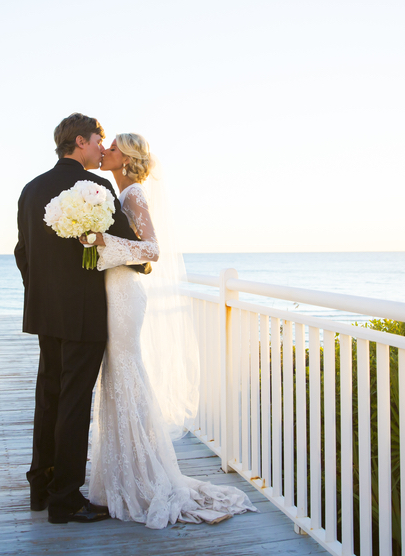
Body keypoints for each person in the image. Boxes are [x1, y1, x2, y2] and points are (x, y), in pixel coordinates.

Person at [79, 133, 256, 529]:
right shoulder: (121, 193)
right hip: (115, 289)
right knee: (119, 374)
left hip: (125, 294)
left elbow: (153, 249)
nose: (103, 150)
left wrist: (102, 242)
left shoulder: (133, 195)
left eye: (111, 148)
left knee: (126, 370)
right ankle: (127, 471)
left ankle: (143, 474)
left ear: (125, 158)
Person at [14, 114, 149, 524]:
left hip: (45, 311)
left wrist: (41, 293)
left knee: (49, 396)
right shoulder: (97, 188)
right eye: (97, 140)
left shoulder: (31, 189)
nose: (101, 147)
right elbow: (129, 243)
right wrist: (142, 267)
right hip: (86, 313)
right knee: (75, 403)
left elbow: (23, 252)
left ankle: (41, 486)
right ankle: (66, 499)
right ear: (79, 141)